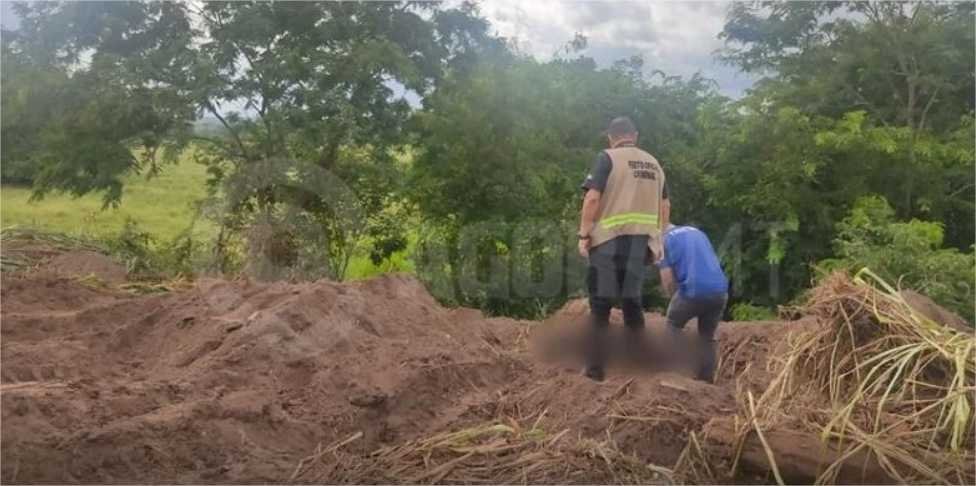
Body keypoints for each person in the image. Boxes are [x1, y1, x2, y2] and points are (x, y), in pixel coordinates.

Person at [578, 116, 670, 382]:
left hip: (608, 240)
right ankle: (640, 366)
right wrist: (659, 237)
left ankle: (595, 370)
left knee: (601, 304)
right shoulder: (654, 163)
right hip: (640, 243)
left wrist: (584, 234)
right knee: (632, 302)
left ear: (611, 137)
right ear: (635, 136)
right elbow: (665, 205)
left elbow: (592, 197)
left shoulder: (607, 158)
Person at [657, 224, 729, 383]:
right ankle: (706, 380)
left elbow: (667, 279)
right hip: (720, 290)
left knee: (673, 324)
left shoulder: (662, 240)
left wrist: (673, 298)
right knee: (707, 337)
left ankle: (676, 372)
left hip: (694, 289)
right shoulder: (697, 232)